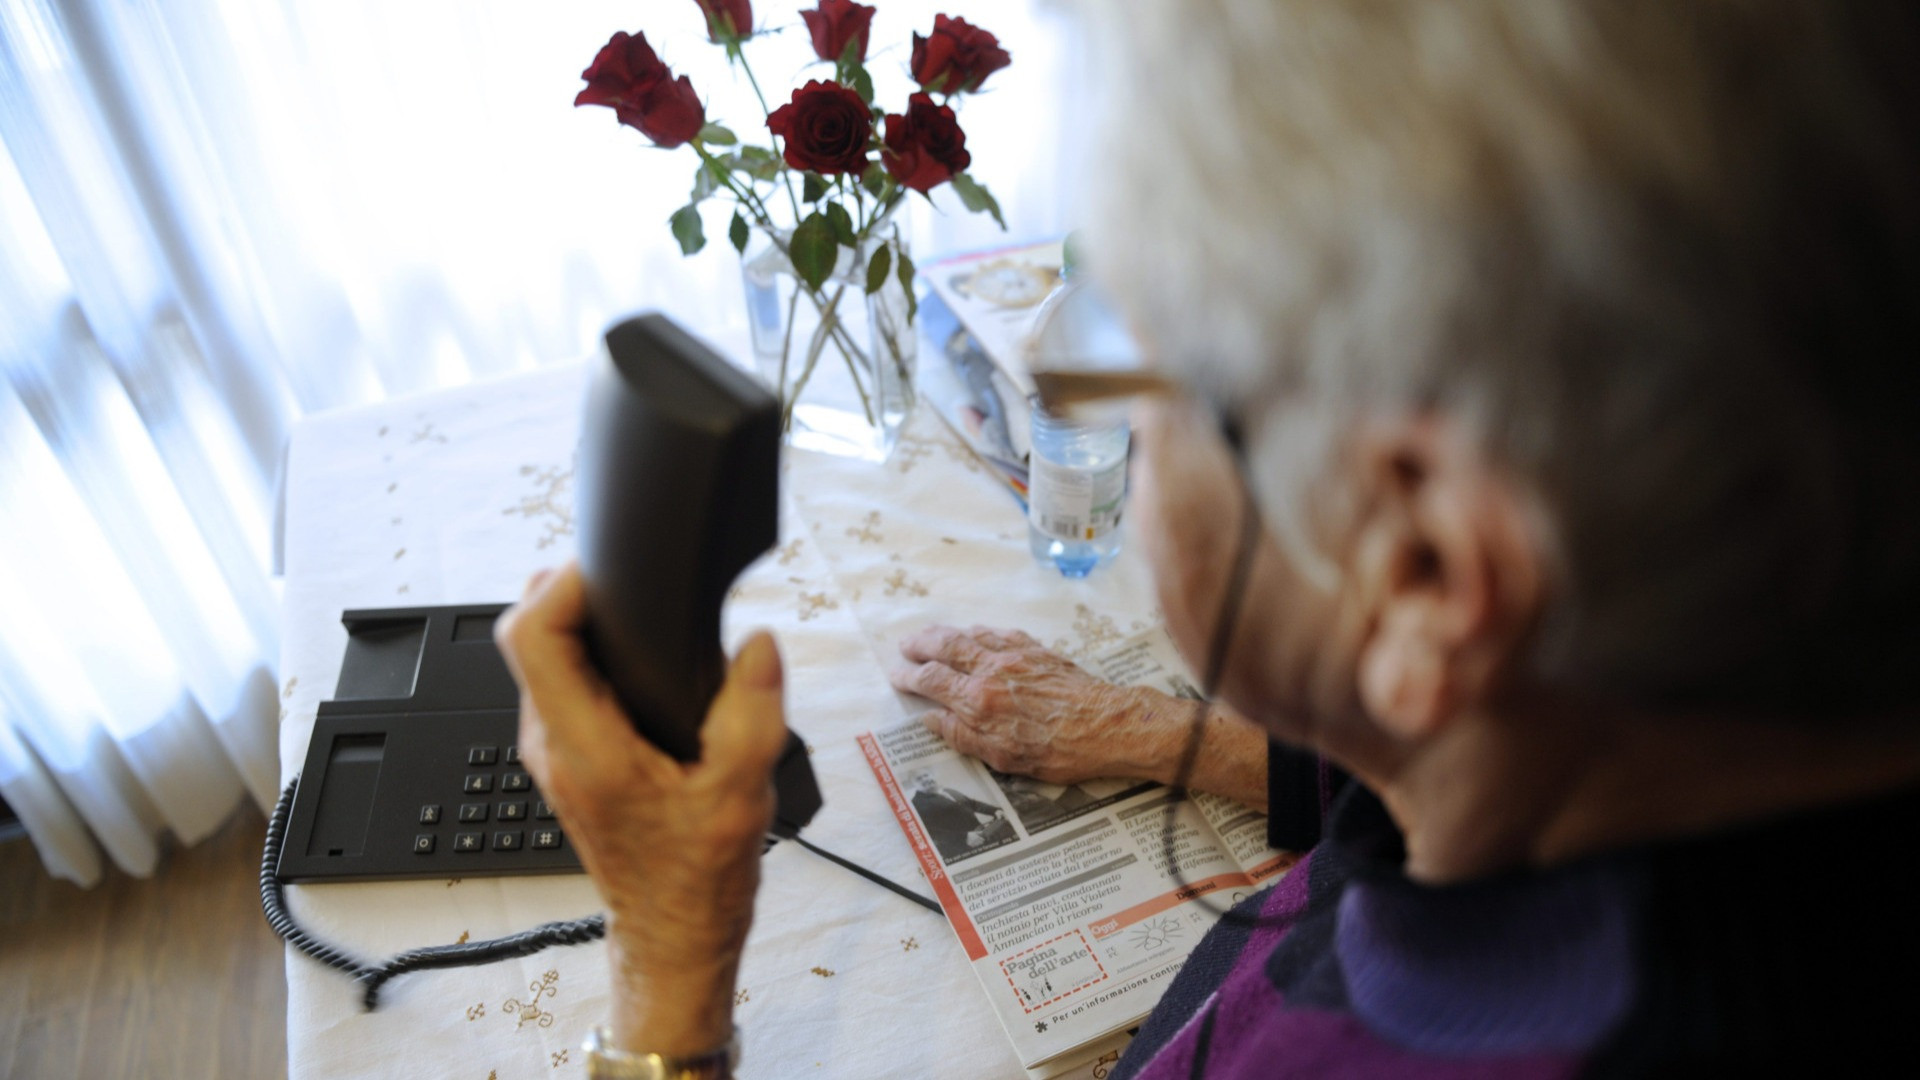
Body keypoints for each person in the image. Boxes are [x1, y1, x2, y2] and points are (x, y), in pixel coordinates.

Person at [494, 0, 1920, 1075]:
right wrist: (1151, 732)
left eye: (1131, 346)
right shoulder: (1632, 730)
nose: (1066, 369)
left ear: (1418, 574)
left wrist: (668, 976)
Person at [907, 768, 1012, 860]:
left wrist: (995, 810)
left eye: (926, 775)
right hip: (960, 849)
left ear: (932, 776)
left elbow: (972, 804)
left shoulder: (948, 790)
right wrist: (964, 837)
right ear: (913, 784)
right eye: (919, 779)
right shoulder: (917, 803)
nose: (925, 779)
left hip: (982, 837)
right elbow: (929, 832)